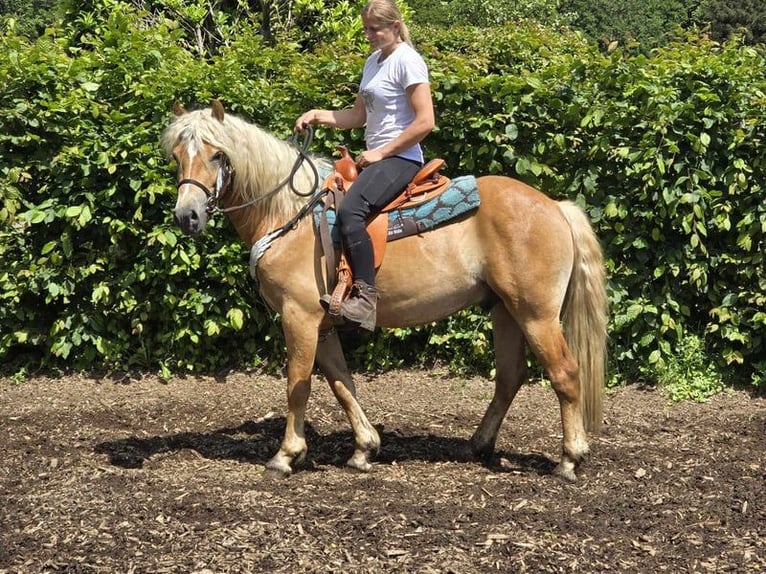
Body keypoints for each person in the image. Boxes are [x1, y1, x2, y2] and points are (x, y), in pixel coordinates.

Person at [295, 0, 435, 331]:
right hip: (380, 158)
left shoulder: (408, 61)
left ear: (395, 26)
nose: (369, 35)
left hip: (402, 159)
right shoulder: (373, 62)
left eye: (375, 29)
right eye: (366, 29)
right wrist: (318, 114)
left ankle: (365, 297)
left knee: (350, 211)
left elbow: (425, 121)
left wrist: (382, 152)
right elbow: (358, 116)